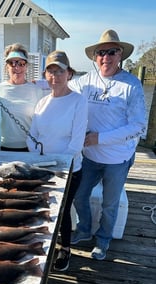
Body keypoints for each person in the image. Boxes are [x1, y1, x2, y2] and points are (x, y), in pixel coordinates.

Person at [69, 29, 147, 260]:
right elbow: (63, 88)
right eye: (101, 52)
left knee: (110, 204)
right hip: (90, 157)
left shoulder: (132, 85)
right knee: (79, 196)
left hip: (117, 159)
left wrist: (98, 138)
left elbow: (138, 126)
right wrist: (39, 83)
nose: (106, 57)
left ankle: (103, 240)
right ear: (95, 57)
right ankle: (83, 230)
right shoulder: (85, 81)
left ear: (120, 54)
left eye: (111, 52)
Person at [27, 50, 88, 271]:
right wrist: (38, 158)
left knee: (63, 211)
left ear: (69, 74)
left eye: (60, 71)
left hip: (69, 170)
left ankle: (65, 248)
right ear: (46, 75)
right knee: (43, 209)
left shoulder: (79, 101)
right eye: (51, 71)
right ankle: (43, 245)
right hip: (43, 168)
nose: (55, 76)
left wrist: (59, 166)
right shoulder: (42, 102)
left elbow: (77, 140)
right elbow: (32, 135)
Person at [0, 43, 43, 151]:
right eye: (12, 63)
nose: (17, 67)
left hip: (30, 147)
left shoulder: (37, 90)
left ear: (26, 66)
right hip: (3, 147)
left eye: (21, 63)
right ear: (7, 67)